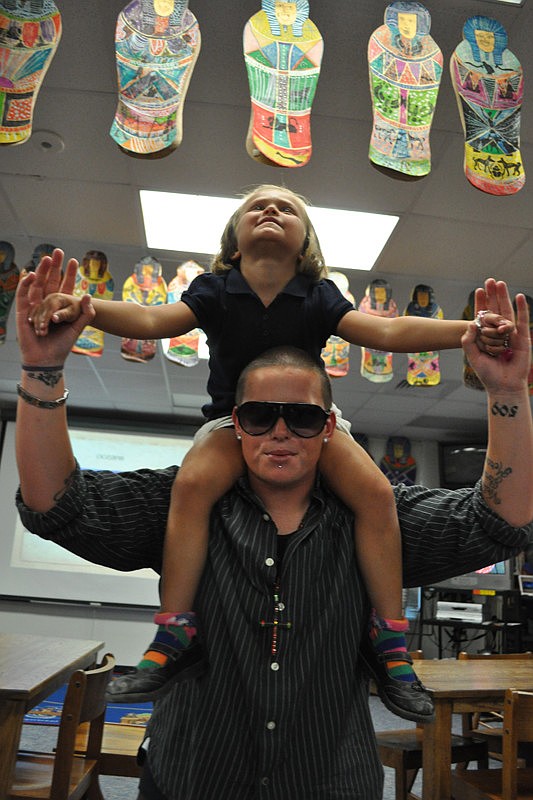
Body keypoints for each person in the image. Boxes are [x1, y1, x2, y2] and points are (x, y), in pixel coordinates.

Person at [14, 263, 533, 799]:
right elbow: (56, 505)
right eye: (260, 415)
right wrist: (42, 367)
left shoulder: (377, 516)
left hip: (329, 783)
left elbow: (499, 523)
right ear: (234, 422)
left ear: (330, 427)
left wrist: (506, 392)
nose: (280, 432)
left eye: (302, 418)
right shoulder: (180, 502)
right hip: (193, 781)